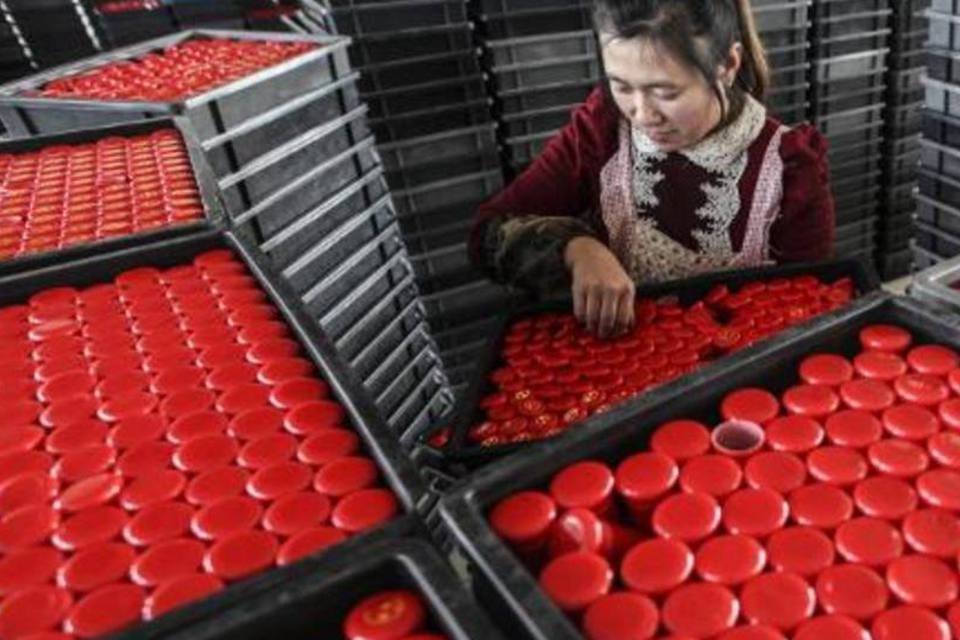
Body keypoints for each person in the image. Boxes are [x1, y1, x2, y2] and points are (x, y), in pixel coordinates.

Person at [469, 0, 836, 338]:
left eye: (665, 93)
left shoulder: (788, 170)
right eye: (621, 86)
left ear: (726, 66)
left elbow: (812, 310)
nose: (643, 115)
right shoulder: (601, 132)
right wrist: (576, 248)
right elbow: (487, 232)